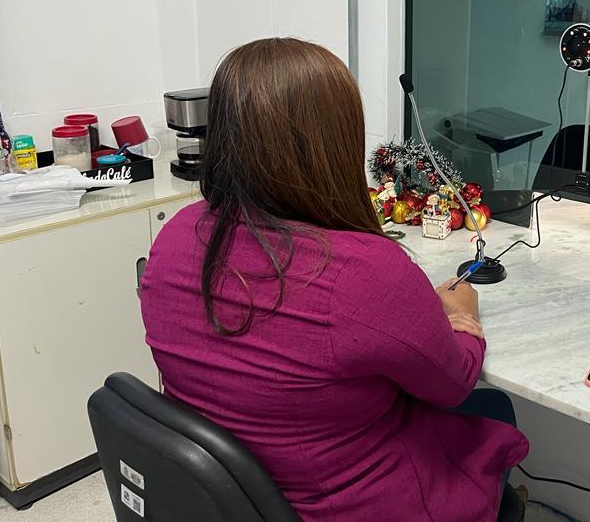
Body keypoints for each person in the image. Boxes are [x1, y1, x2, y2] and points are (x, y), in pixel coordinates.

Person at [140, 38, 529, 522]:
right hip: (348, 506)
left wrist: (409, 312)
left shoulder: (175, 235)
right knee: (494, 410)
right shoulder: (361, 270)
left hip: (235, 501)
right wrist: (463, 319)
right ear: (336, 142)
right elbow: (452, 384)